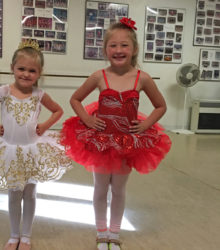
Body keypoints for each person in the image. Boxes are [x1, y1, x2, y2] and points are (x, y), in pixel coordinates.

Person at [61, 17, 171, 250]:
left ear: (134, 49)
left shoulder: (143, 78)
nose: (119, 50)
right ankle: (101, 233)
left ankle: (114, 233)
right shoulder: (99, 76)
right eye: (113, 45)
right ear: (105, 49)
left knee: (119, 190)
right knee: (100, 188)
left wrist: (146, 125)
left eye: (124, 45)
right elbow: (75, 99)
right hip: (101, 142)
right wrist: (88, 119)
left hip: (127, 143)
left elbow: (161, 106)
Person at [0, 40, 72, 250]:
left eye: (32, 70)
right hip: (9, 150)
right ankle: (14, 235)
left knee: (30, 193)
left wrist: (44, 126)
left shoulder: (39, 94)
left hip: (32, 151)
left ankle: (26, 236)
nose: (26, 74)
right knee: (14, 193)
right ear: (12, 68)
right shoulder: (4, 91)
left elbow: (58, 111)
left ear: (40, 73)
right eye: (21, 68)